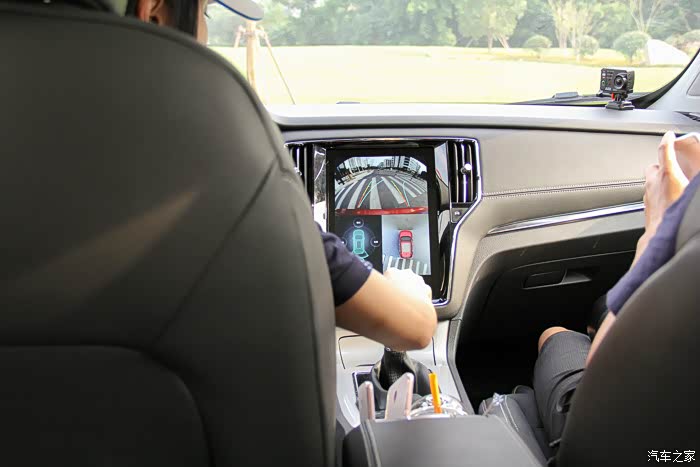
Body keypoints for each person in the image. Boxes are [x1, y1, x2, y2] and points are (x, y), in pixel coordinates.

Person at [125, 0, 437, 351]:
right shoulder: (222, 174)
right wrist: (408, 289)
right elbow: (415, 327)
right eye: (204, 13)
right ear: (153, 10)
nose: (205, 33)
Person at [532, 131, 700, 443]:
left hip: (625, 438)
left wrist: (659, 229)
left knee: (556, 335)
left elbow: (601, 381)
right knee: (602, 307)